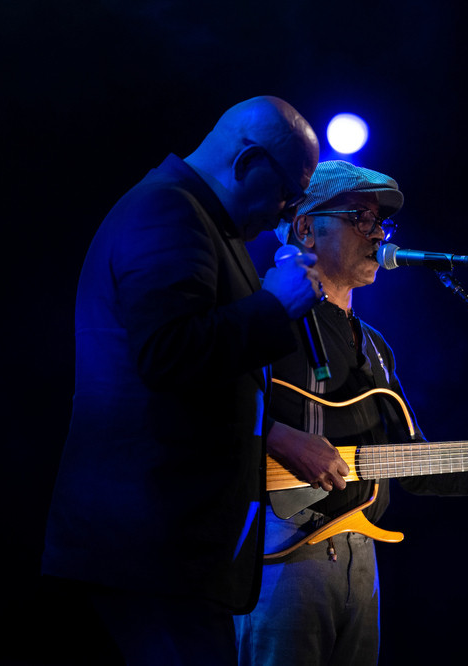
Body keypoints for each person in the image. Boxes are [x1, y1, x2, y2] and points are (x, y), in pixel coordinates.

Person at [233, 161, 468, 665]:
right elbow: (192, 406)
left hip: (360, 560)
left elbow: (413, 465)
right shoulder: (258, 315)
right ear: (306, 227)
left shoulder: (375, 348)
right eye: (360, 219)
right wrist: (275, 436)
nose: (378, 234)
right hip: (281, 556)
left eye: (381, 224)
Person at [43, 96, 329, 665]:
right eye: (288, 195)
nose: (282, 214)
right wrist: (275, 306)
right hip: (148, 549)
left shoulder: (201, 221)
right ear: (247, 163)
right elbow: (169, 354)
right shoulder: (168, 213)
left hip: (165, 553)